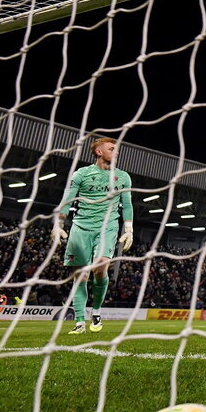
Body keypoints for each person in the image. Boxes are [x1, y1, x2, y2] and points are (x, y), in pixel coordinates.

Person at [52, 136, 134, 335]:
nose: (117, 152)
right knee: (81, 275)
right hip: (80, 227)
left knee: (100, 267)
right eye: (112, 148)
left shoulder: (123, 177)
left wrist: (129, 229)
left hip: (107, 227)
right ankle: (80, 321)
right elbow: (68, 199)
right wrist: (58, 223)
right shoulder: (82, 174)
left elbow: (127, 204)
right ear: (99, 152)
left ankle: (96, 311)